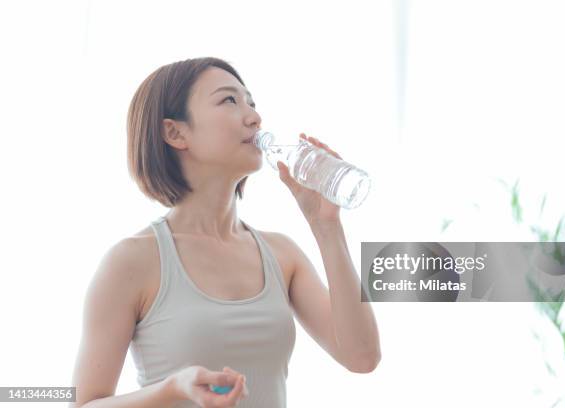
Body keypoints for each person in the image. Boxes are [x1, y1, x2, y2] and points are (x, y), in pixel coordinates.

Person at [70, 57, 381, 408]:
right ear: (175, 132)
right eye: (229, 101)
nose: (253, 117)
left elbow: (362, 357)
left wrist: (327, 227)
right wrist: (172, 388)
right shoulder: (131, 261)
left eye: (251, 102)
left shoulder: (282, 254)